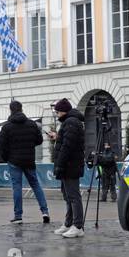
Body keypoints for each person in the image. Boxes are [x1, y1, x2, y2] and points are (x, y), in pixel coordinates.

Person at [0, 100, 49, 224]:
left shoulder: (7, 127)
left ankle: (18, 215)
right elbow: (39, 140)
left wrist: (6, 158)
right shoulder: (31, 124)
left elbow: (1, 146)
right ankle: (45, 212)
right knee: (36, 185)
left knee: (17, 187)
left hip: (14, 161)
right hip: (29, 160)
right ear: (21, 109)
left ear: (10, 110)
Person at [49, 97, 86, 238]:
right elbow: (66, 141)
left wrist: (60, 164)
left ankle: (77, 226)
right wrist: (58, 137)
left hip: (70, 165)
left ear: (63, 111)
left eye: (57, 112)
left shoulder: (71, 122)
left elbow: (67, 146)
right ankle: (68, 223)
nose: (57, 115)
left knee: (73, 196)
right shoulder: (70, 122)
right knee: (68, 196)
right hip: (68, 165)